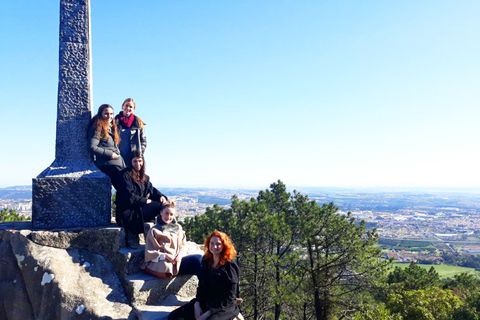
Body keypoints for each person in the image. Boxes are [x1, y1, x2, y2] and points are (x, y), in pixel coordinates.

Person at [168, 231, 240, 320]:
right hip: (205, 301)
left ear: (224, 245)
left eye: (218, 244)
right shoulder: (206, 261)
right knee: (174, 316)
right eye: (212, 243)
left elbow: (229, 297)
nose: (214, 247)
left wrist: (208, 313)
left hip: (223, 306)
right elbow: (201, 286)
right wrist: (197, 305)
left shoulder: (229, 266)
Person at [141, 201, 203, 278]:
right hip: (163, 261)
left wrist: (179, 256)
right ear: (161, 212)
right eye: (166, 213)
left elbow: (183, 246)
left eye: (171, 214)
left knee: (199, 259)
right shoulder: (154, 230)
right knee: (195, 261)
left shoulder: (178, 228)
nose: (168, 217)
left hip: (178, 260)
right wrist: (166, 256)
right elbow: (150, 252)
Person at [115, 150, 168, 236]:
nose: (138, 164)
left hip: (139, 210)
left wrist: (161, 196)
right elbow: (129, 196)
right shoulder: (124, 175)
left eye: (140, 161)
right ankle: (162, 232)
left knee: (165, 203)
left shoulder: (144, 177)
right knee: (159, 206)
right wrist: (146, 201)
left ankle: (167, 231)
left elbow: (152, 190)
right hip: (128, 214)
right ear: (130, 162)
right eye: (135, 161)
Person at [88, 104, 126, 183]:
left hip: (117, 164)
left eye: (111, 114)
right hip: (108, 165)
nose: (109, 116)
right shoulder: (98, 128)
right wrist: (110, 154)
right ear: (101, 114)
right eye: (106, 113)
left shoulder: (112, 128)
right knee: (126, 188)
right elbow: (92, 147)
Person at [115, 98, 147, 165]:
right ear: (122, 106)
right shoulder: (114, 122)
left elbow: (143, 141)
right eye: (126, 105)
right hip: (118, 156)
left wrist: (138, 154)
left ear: (133, 109)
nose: (128, 108)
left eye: (131, 107)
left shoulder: (138, 123)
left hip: (133, 159)